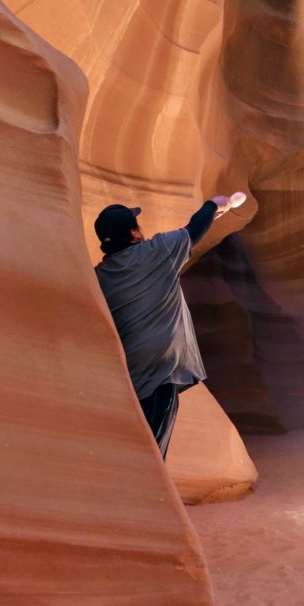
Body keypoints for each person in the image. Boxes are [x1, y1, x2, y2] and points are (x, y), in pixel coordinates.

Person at [93, 195, 235, 458]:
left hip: (127, 382)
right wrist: (215, 204)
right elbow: (194, 229)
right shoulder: (156, 253)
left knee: (136, 455)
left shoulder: (100, 276)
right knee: (152, 459)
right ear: (134, 233)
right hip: (157, 377)